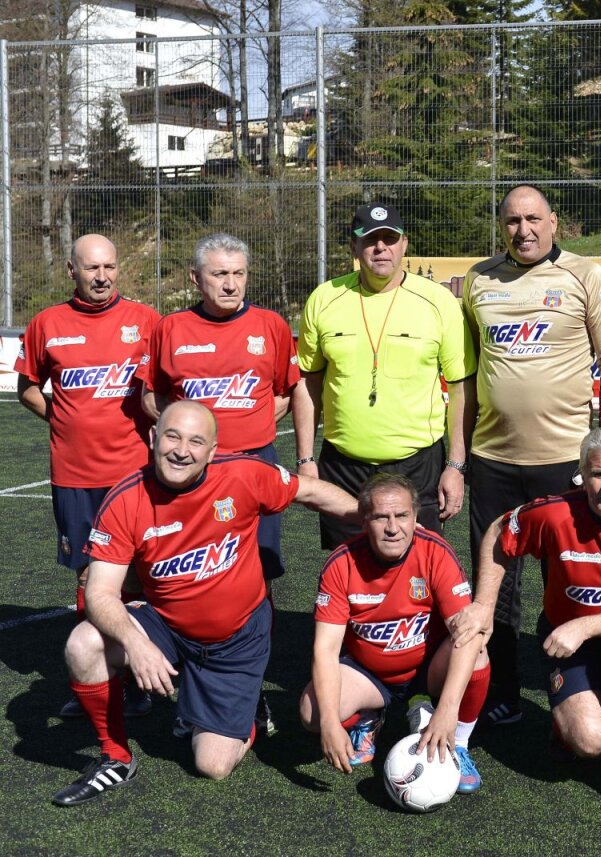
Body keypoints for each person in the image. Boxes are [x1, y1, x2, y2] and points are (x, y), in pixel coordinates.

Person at [50, 401, 359, 806]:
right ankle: (115, 757)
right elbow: (99, 593)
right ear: (152, 437)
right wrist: (138, 644)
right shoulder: (125, 498)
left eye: (196, 441)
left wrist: (380, 518)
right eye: (172, 436)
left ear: (212, 452)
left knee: (211, 765)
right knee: (83, 643)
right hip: (166, 626)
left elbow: (314, 492)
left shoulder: (244, 474)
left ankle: (246, 713)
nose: (182, 450)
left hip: (236, 638)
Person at [450, 426, 601, 819]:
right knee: (590, 742)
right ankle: (587, 718)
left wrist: (584, 626)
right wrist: (485, 604)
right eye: (598, 474)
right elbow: (496, 533)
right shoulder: (555, 513)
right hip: (564, 642)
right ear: (582, 474)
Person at [462, 184, 601, 726]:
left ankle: (587, 686)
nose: (523, 230)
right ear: (501, 225)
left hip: (566, 462)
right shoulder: (479, 280)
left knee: (579, 578)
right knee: (496, 582)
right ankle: (500, 689)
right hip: (494, 460)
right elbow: (465, 374)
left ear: (554, 222)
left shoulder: (586, 275)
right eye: (512, 221)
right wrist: (459, 459)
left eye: (533, 219)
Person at [16, 233, 161, 719]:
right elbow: (29, 388)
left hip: (136, 475)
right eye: (92, 268)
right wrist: (63, 419)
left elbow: (166, 390)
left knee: (139, 577)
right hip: (75, 476)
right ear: (72, 271)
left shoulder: (146, 321)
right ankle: (98, 676)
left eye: (110, 267)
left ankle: (141, 676)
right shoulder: (47, 324)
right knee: (88, 575)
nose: (103, 277)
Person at [293, 203, 475, 545]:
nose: (381, 247)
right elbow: (308, 382)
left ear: (404, 244)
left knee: (418, 570)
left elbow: (462, 388)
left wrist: (456, 465)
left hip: (418, 466)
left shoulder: (438, 301)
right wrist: (305, 459)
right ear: (354, 246)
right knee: (348, 570)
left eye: (390, 239)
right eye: (370, 239)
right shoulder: (324, 299)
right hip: (344, 467)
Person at [299, 473, 490, 793]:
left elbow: (467, 634)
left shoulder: (435, 552)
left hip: (429, 670)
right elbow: (325, 650)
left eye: (401, 516)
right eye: (380, 517)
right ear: (363, 520)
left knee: (477, 649)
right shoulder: (341, 563)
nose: (392, 527)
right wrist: (331, 723)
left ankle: (458, 743)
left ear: (416, 518)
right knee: (311, 713)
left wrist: (447, 712)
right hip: (370, 674)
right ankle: (369, 716)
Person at [140, 234, 299, 581]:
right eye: (219, 275)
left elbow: (287, 392)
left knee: (259, 568)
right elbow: (152, 397)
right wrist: (188, 435)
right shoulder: (170, 328)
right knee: (192, 565)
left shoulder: (271, 325)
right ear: (196, 279)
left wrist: (251, 421)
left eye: (239, 274)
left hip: (255, 462)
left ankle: (258, 636)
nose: (231, 285)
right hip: (190, 468)